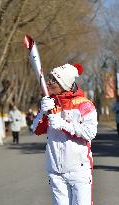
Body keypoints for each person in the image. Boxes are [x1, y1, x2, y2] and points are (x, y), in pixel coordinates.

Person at [33, 63, 98, 205]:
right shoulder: (50, 103)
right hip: (55, 171)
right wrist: (43, 112)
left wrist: (63, 124)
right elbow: (36, 129)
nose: (49, 82)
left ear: (65, 84)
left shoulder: (85, 104)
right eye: (49, 78)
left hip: (79, 170)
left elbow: (90, 133)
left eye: (54, 80)